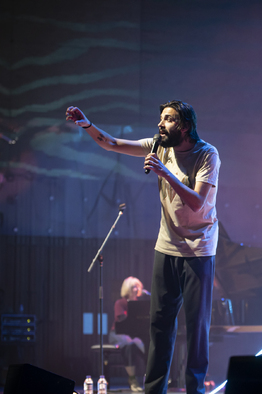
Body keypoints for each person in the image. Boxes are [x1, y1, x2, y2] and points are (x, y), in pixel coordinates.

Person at [66, 101, 220, 394]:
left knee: (196, 328)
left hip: (199, 251)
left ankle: (195, 390)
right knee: (159, 325)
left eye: (169, 120)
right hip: (166, 247)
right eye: (160, 119)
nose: (161, 124)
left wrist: (165, 173)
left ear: (185, 126)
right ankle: (153, 391)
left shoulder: (207, 154)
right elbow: (111, 143)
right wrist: (87, 124)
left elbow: (198, 202)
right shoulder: (158, 145)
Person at [109, 276, 149, 392]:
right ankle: (132, 379)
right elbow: (121, 320)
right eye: (133, 286)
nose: (136, 289)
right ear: (127, 288)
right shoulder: (120, 302)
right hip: (118, 334)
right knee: (130, 345)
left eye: (138, 286)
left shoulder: (140, 304)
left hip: (134, 335)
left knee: (147, 346)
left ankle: (150, 377)